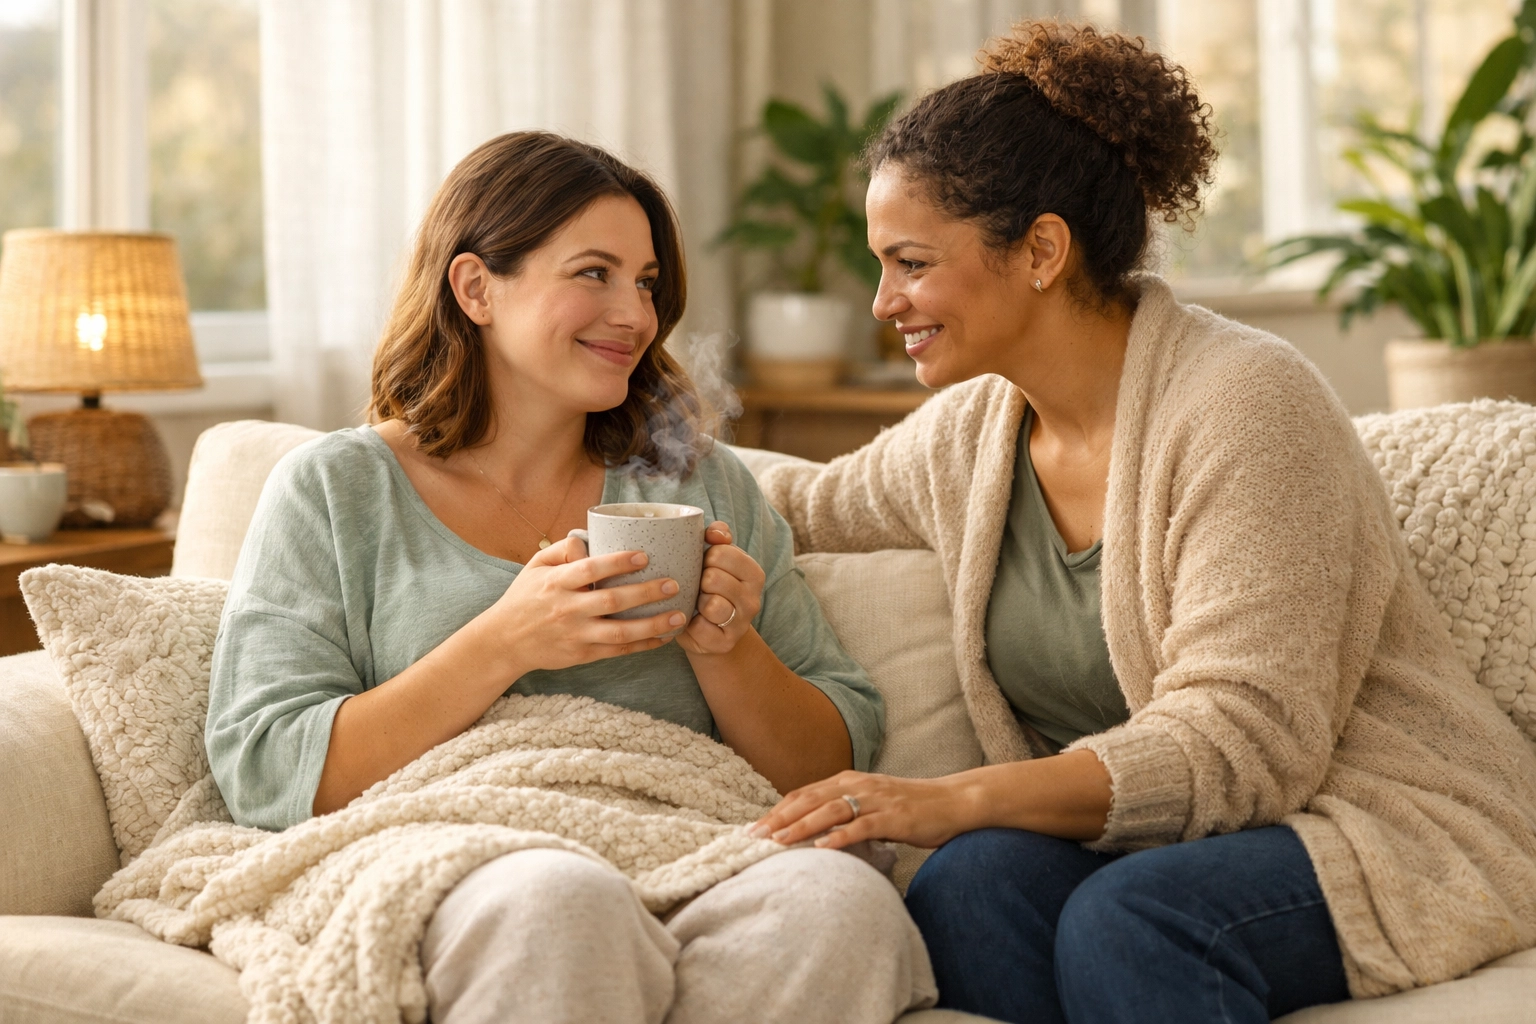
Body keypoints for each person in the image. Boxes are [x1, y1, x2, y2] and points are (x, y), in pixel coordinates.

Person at [749, 20, 1536, 1024]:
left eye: (909, 262)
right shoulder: (967, 437)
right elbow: (796, 508)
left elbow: (1240, 742)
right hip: (1160, 844)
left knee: (1130, 919)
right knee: (967, 886)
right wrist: (581, 493)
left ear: (1039, 249)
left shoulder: (1247, 404)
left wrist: (951, 798)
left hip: (1372, 820)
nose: (880, 301)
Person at [204, 131, 934, 1024]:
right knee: (559, 901)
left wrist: (726, 646)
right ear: (475, 288)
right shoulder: (336, 490)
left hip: (683, 840)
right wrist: (505, 641)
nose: (634, 312)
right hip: (455, 845)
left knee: (840, 904)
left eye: (647, 282)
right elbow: (267, 766)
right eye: (594, 273)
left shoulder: (699, 483)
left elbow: (826, 764)